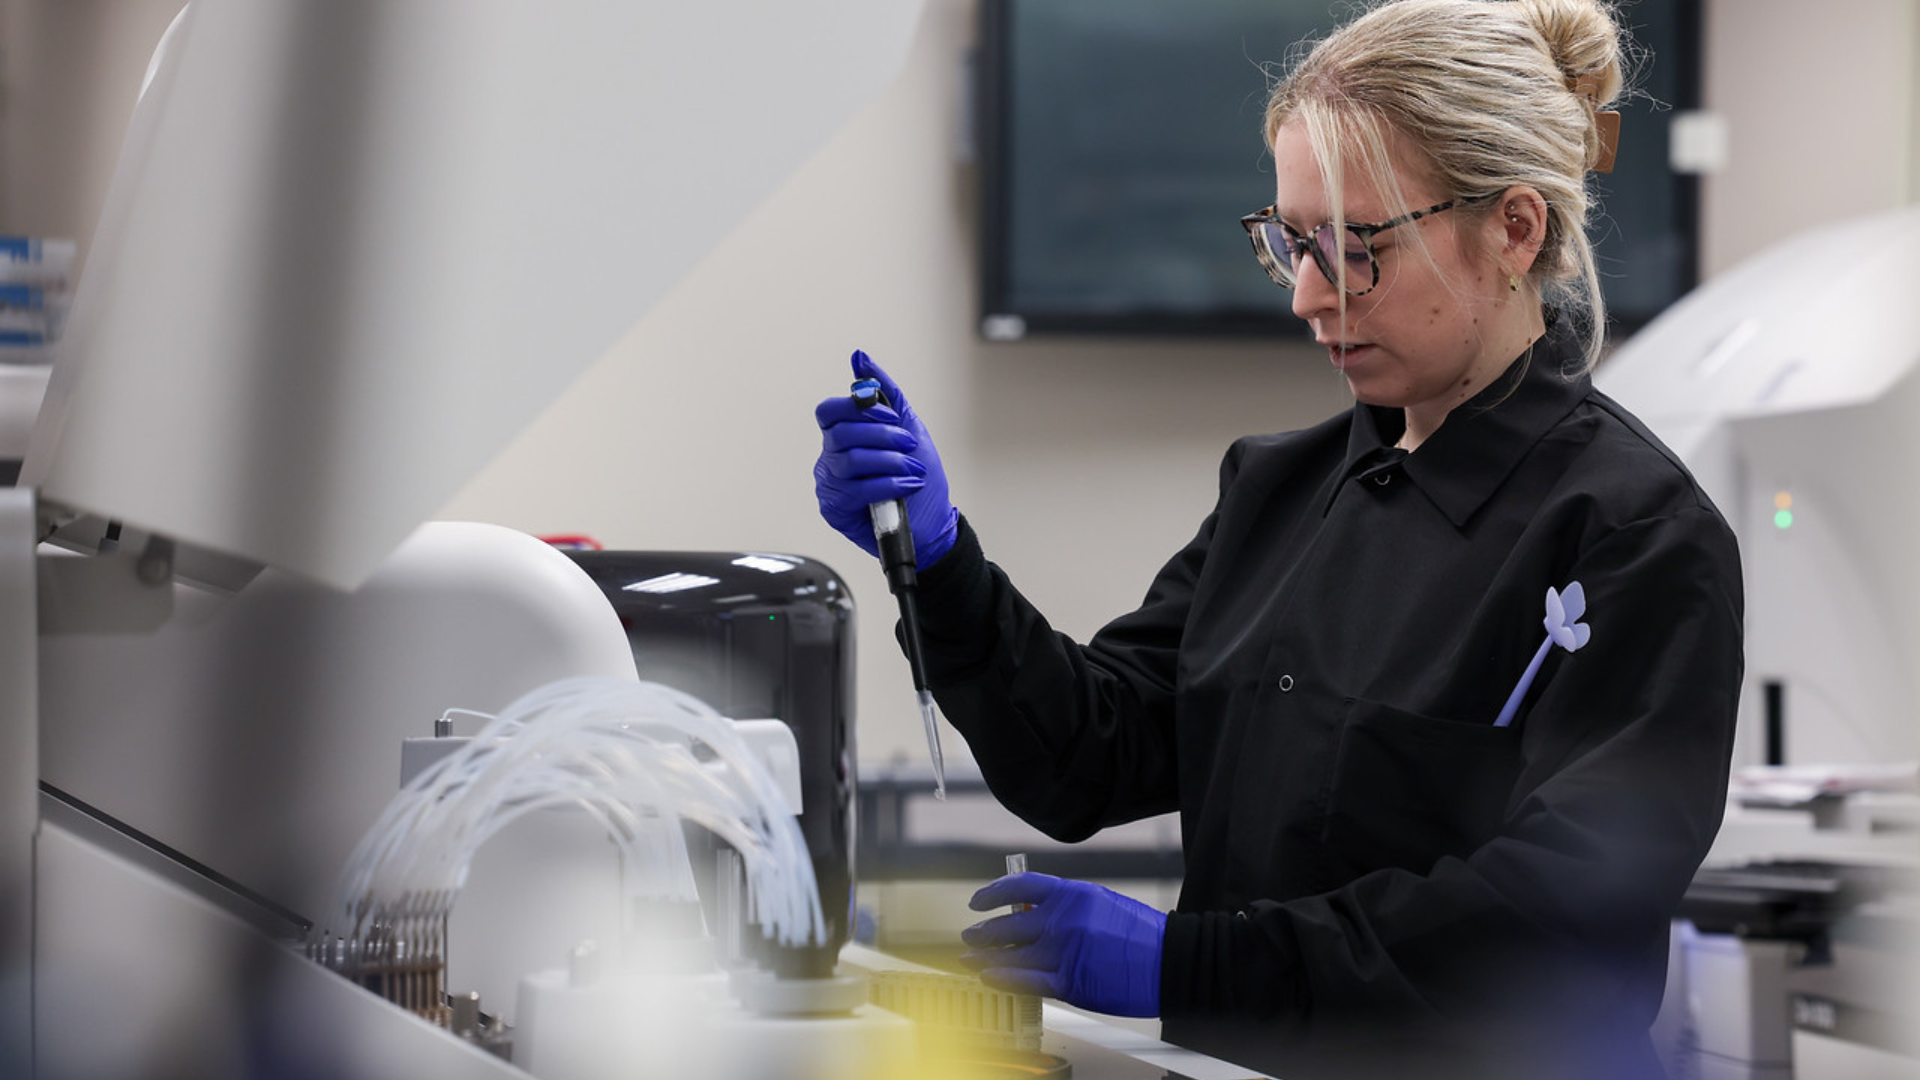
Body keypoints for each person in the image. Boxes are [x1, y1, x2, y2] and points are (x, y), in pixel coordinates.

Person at [812, 1, 1741, 1076]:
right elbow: (1088, 755)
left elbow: (1550, 921)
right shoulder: (1279, 488)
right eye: (1291, 243)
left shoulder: (1633, 535)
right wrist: (937, 562)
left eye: (1356, 249)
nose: (1307, 296)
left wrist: (1189, 966)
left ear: (1516, 229)